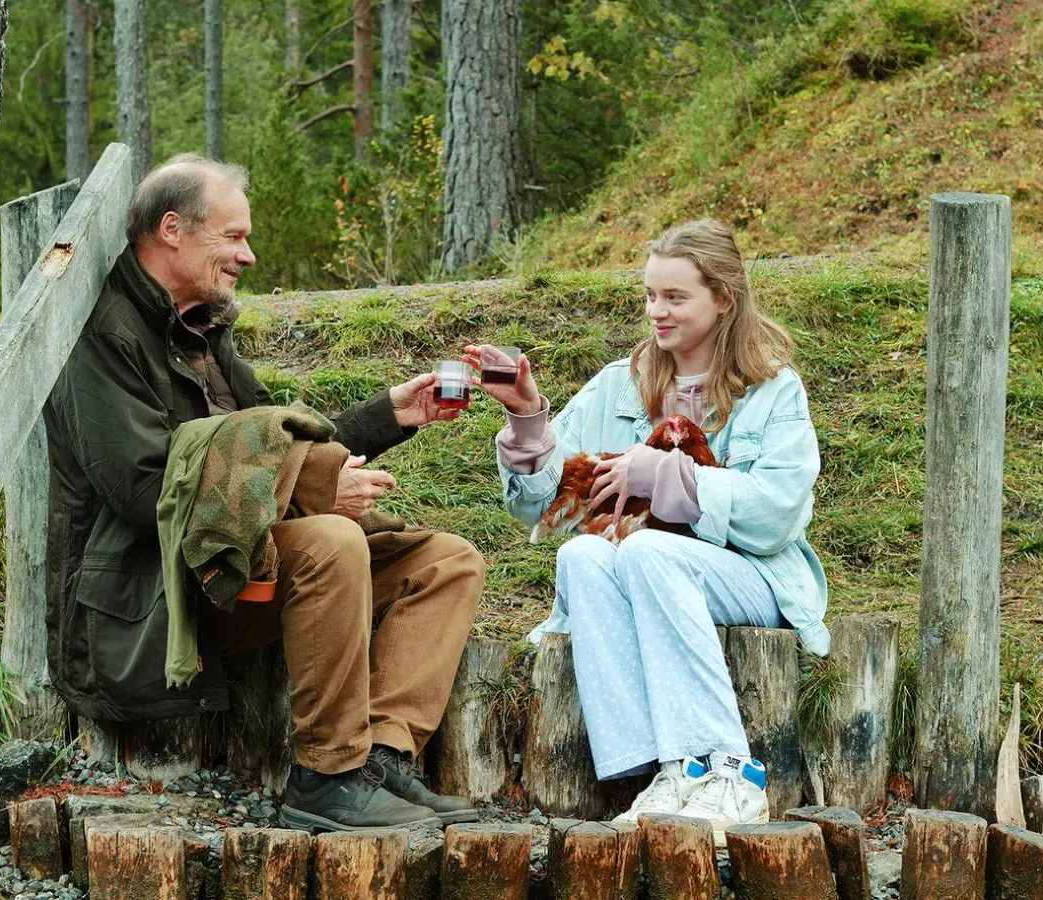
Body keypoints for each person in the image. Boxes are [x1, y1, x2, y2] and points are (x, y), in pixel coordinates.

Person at [45, 154, 487, 833]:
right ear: (172, 229)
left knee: (445, 561)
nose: (248, 255)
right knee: (333, 541)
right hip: (158, 595)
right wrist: (310, 491)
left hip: (236, 565)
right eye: (233, 236)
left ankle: (381, 760)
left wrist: (389, 416)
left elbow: (270, 448)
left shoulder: (201, 329)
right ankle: (327, 779)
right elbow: (142, 489)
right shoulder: (104, 335)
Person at [473, 219, 828, 841]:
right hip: (656, 569)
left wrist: (667, 474)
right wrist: (528, 414)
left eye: (674, 297)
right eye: (650, 295)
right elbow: (540, 505)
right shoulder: (621, 382)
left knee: (649, 552)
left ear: (724, 297)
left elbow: (775, 514)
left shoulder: (774, 389)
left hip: (754, 575)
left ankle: (725, 772)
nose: (656, 312)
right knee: (583, 554)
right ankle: (660, 772)